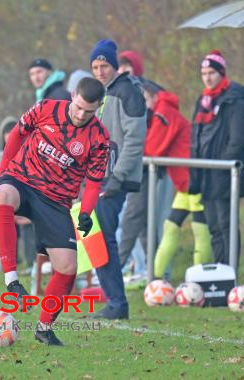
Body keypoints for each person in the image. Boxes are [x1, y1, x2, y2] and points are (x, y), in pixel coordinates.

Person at [0, 77, 110, 345]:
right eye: (78, 107)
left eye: (89, 111)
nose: (81, 115)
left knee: (67, 267)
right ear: (72, 95)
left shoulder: (100, 138)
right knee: (3, 195)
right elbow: (16, 135)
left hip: (56, 201)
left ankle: (44, 328)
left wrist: (86, 212)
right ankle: (12, 280)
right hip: (23, 179)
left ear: (99, 107)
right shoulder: (45, 108)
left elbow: (93, 182)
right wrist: (1, 173)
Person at [90, 39, 147, 320]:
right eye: (95, 67)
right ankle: (114, 300)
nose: (100, 71)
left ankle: (117, 302)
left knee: (104, 238)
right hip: (101, 178)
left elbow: (135, 141)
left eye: (104, 66)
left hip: (116, 180)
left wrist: (117, 177)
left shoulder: (127, 92)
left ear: (114, 66)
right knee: (97, 238)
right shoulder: (103, 93)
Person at [140, 81, 212, 277]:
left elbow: (153, 149)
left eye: (145, 99)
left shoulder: (164, 112)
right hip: (184, 185)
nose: (144, 104)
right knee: (170, 228)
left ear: (154, 97)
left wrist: (132, 154)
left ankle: (202, 280)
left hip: (195, 181)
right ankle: (154, 280)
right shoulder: (161, 112)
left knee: (200, 231)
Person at [189, 50, 244, 266]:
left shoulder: (234, 100)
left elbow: (237, 140)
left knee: (226, 224)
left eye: (212, 72)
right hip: (205, 173)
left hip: (224, 173)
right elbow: (196, 136)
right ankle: (220, 270)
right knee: (213, 226)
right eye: (203, 73)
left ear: (221, 73)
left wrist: (221, 166)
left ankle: (229, 271)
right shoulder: (203, 101)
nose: (207, 77)